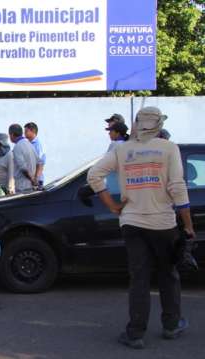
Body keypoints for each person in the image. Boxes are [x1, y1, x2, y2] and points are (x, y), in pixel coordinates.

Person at [87, 107, 194, 349]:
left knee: (139, 277)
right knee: (168, 274)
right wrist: (187, 225)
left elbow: (94, 175)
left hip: (131, 222)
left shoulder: (123, 149)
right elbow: (178, 187)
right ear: (158, 125)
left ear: (137, 124)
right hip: (163, 223)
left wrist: (113, 206)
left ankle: (135, 333)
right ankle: (171, 324)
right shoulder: (169, 148)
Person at [8, 124, 38, 193]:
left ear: (12, 135)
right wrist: (35, 178)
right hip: (31, 186)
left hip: (22, 187)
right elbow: (39, 163)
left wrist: (32, 180)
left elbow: (23, 168)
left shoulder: (17, 147)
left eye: (9, 135)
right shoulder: (30, 144)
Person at [24, 122, 46, 186]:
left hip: (36, 181)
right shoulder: (27, 144)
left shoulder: (37, 145)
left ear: (33, 131)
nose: (24, 133)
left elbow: (40, 164)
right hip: (29, 180)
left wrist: (36, 179)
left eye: (26, 131)